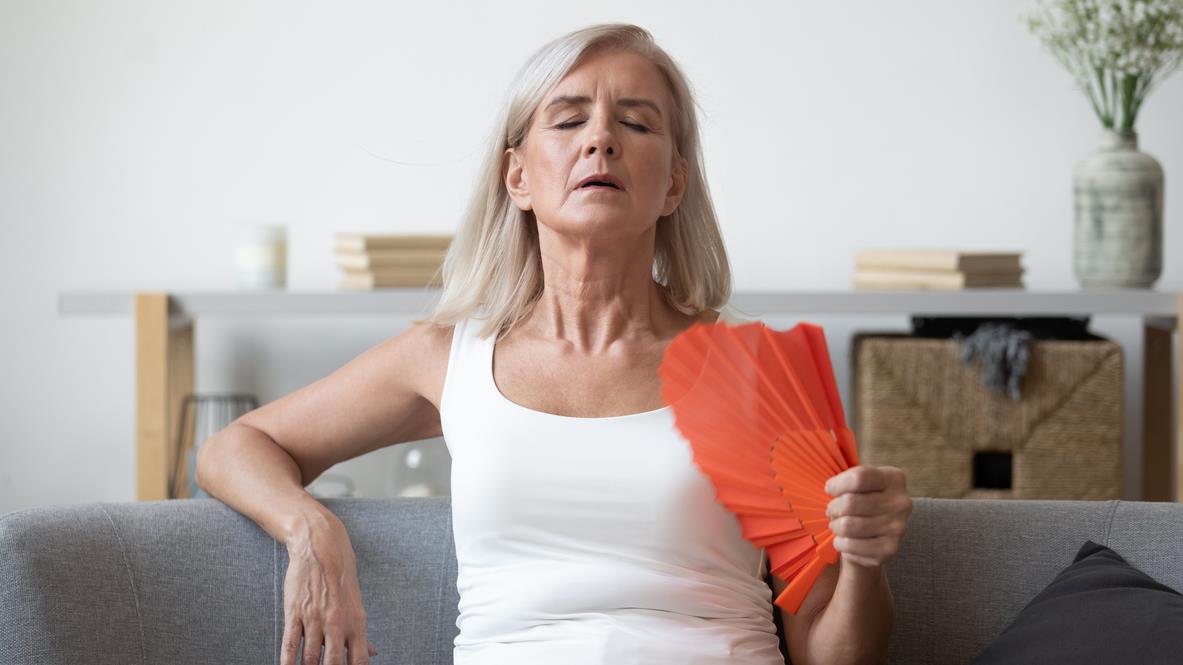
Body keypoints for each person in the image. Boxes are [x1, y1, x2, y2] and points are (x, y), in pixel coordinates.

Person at [197, 22, 912, 665]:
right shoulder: (447, 357)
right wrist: (311, 529)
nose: (600, 138)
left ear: (673, 185)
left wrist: (864, 560)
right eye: (568, 120)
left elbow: (833, 653)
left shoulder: (759, 372)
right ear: (517, 177)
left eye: (635, 123)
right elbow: (235, 446)